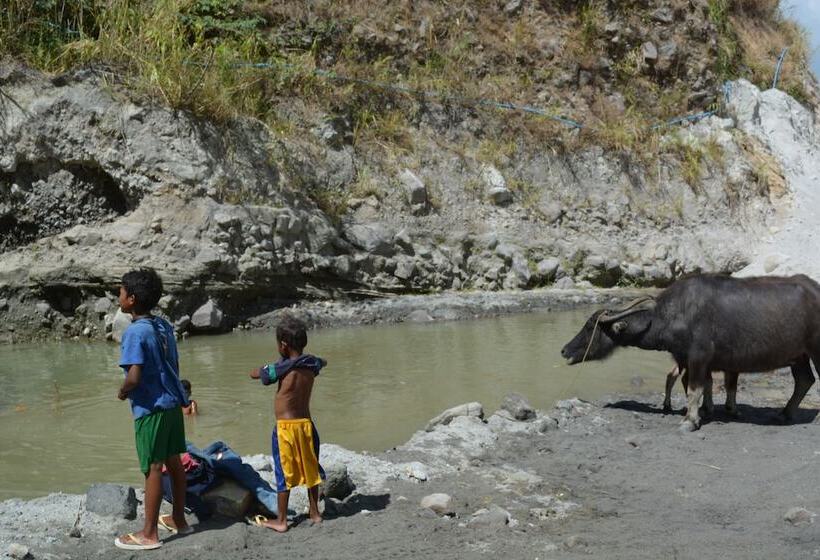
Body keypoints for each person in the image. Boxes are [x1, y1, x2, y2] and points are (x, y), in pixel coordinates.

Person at [114, 268, 193, 551]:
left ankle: (149, 534)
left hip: (151, 409)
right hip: (172, 404)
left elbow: (134, 376)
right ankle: (179, 520)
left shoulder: (135, 332)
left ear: (132, 299)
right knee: (174, 462)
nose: (118, 296)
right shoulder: (163, 326)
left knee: (153, 468)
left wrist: (123, 391)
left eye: (121, 292)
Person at [249, 316, 326, 532]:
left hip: (286, 429)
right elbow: (323, 362)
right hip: (307, 425)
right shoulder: (312, 363)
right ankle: (315, 512)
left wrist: (265, 368)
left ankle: (281, 520)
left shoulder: (280, 368)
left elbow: (257, 374)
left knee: (283, 472)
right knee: (311, 468)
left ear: (283, 345)